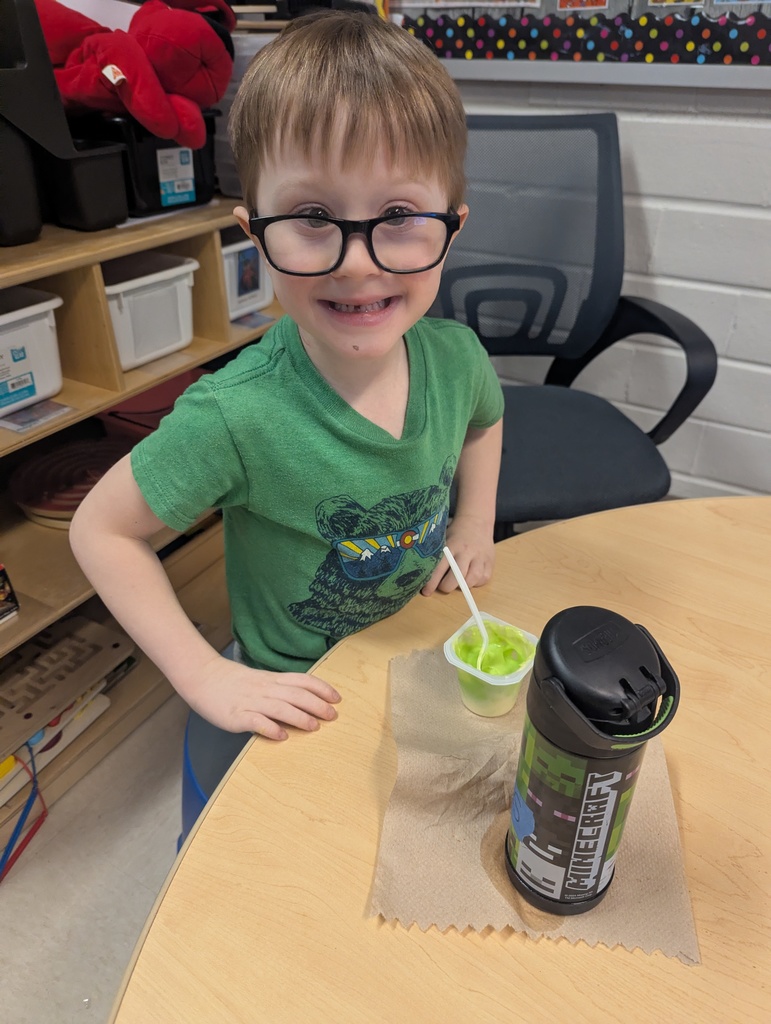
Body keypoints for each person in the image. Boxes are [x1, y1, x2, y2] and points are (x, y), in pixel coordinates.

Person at [69, 10, 504, 772]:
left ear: (453, 227)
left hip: (414, 640)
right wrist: (203, 672)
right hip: (298, 690)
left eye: (398, 216)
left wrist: (474, 520)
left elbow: (483, 422)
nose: (357, 263)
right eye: (312, 216)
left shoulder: (457, 355)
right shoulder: (234, 413)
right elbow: (100, 532)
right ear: (252, 230)